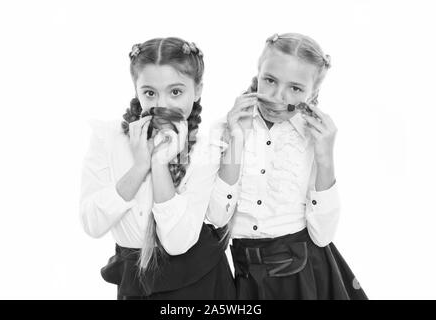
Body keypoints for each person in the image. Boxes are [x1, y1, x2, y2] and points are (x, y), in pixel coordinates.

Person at [207, 33, 368, 300]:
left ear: (312, 93)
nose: (278, 97)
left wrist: (325, 156)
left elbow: (323, 234)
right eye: (270, 80)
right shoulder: (224, 129)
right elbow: (217, 219)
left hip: (306, 273)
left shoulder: (314, 138)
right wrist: (236, 140)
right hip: (246, 275)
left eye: (295, 88)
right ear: (258, 74)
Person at [79, 37, 235, 300]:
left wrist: (159, 163)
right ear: (136, 89)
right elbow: (92, 224)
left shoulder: (206, 150)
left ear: (197, 90)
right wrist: (139, 167)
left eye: (176, 92)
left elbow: (177, 243)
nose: (162, 104)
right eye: (150, 93)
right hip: (136, 280)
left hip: (201, 282)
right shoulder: (108, 138)